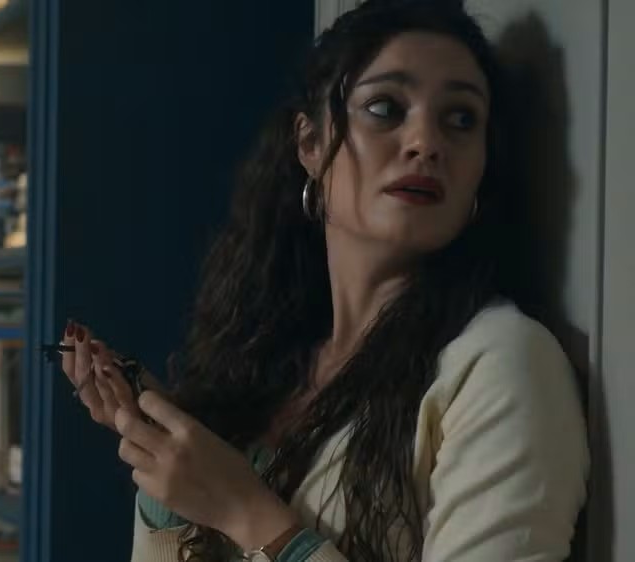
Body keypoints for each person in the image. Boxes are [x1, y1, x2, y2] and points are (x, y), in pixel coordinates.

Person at [57, 0, 589, 560]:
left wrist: (246, 511)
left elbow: (245, 514)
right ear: (310, 145)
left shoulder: (499, 364)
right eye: (386, 108)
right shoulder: (269, 362)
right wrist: (167, 463)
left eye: (460, 119)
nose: (426, 142)